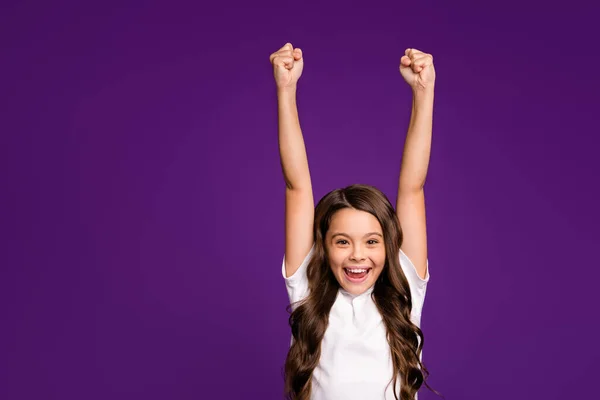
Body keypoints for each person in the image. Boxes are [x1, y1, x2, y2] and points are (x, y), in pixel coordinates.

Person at [269, 42, 436, 400]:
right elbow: (296, 187)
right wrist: (286, 90)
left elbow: (412, 189)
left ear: (389, 245)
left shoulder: (405, 290)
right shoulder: (308, 293)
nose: (357, 254)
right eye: (342, 241)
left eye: (372, 241)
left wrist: (424, 93)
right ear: (323, 247)